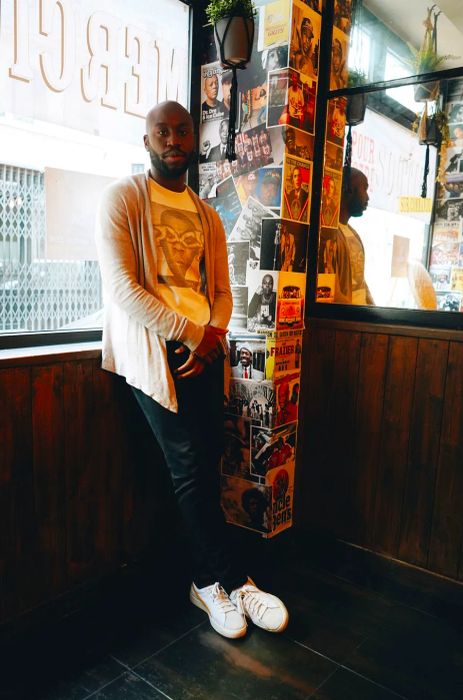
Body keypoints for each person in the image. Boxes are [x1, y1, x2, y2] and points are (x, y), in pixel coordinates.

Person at [95, 100, 288, 641]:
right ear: (147, 140)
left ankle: (206, 582)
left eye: (182, 131)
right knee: (188, 468)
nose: (173, 140)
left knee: (205, 464)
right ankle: (229, 581)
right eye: (163, 132)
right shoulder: (121, 198)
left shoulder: (206, 213)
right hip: (151, 353)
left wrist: (211, 337)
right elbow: (123, 289)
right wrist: (191, 335)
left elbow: (223, 294)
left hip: (205, 352)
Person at [335, 167, 374, 304]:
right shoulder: (330, 236)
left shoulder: (353, 234)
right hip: (349, 322)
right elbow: (333, 293)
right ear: (349, 189)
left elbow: (359, 281)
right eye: (364, 188)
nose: (367, 197)